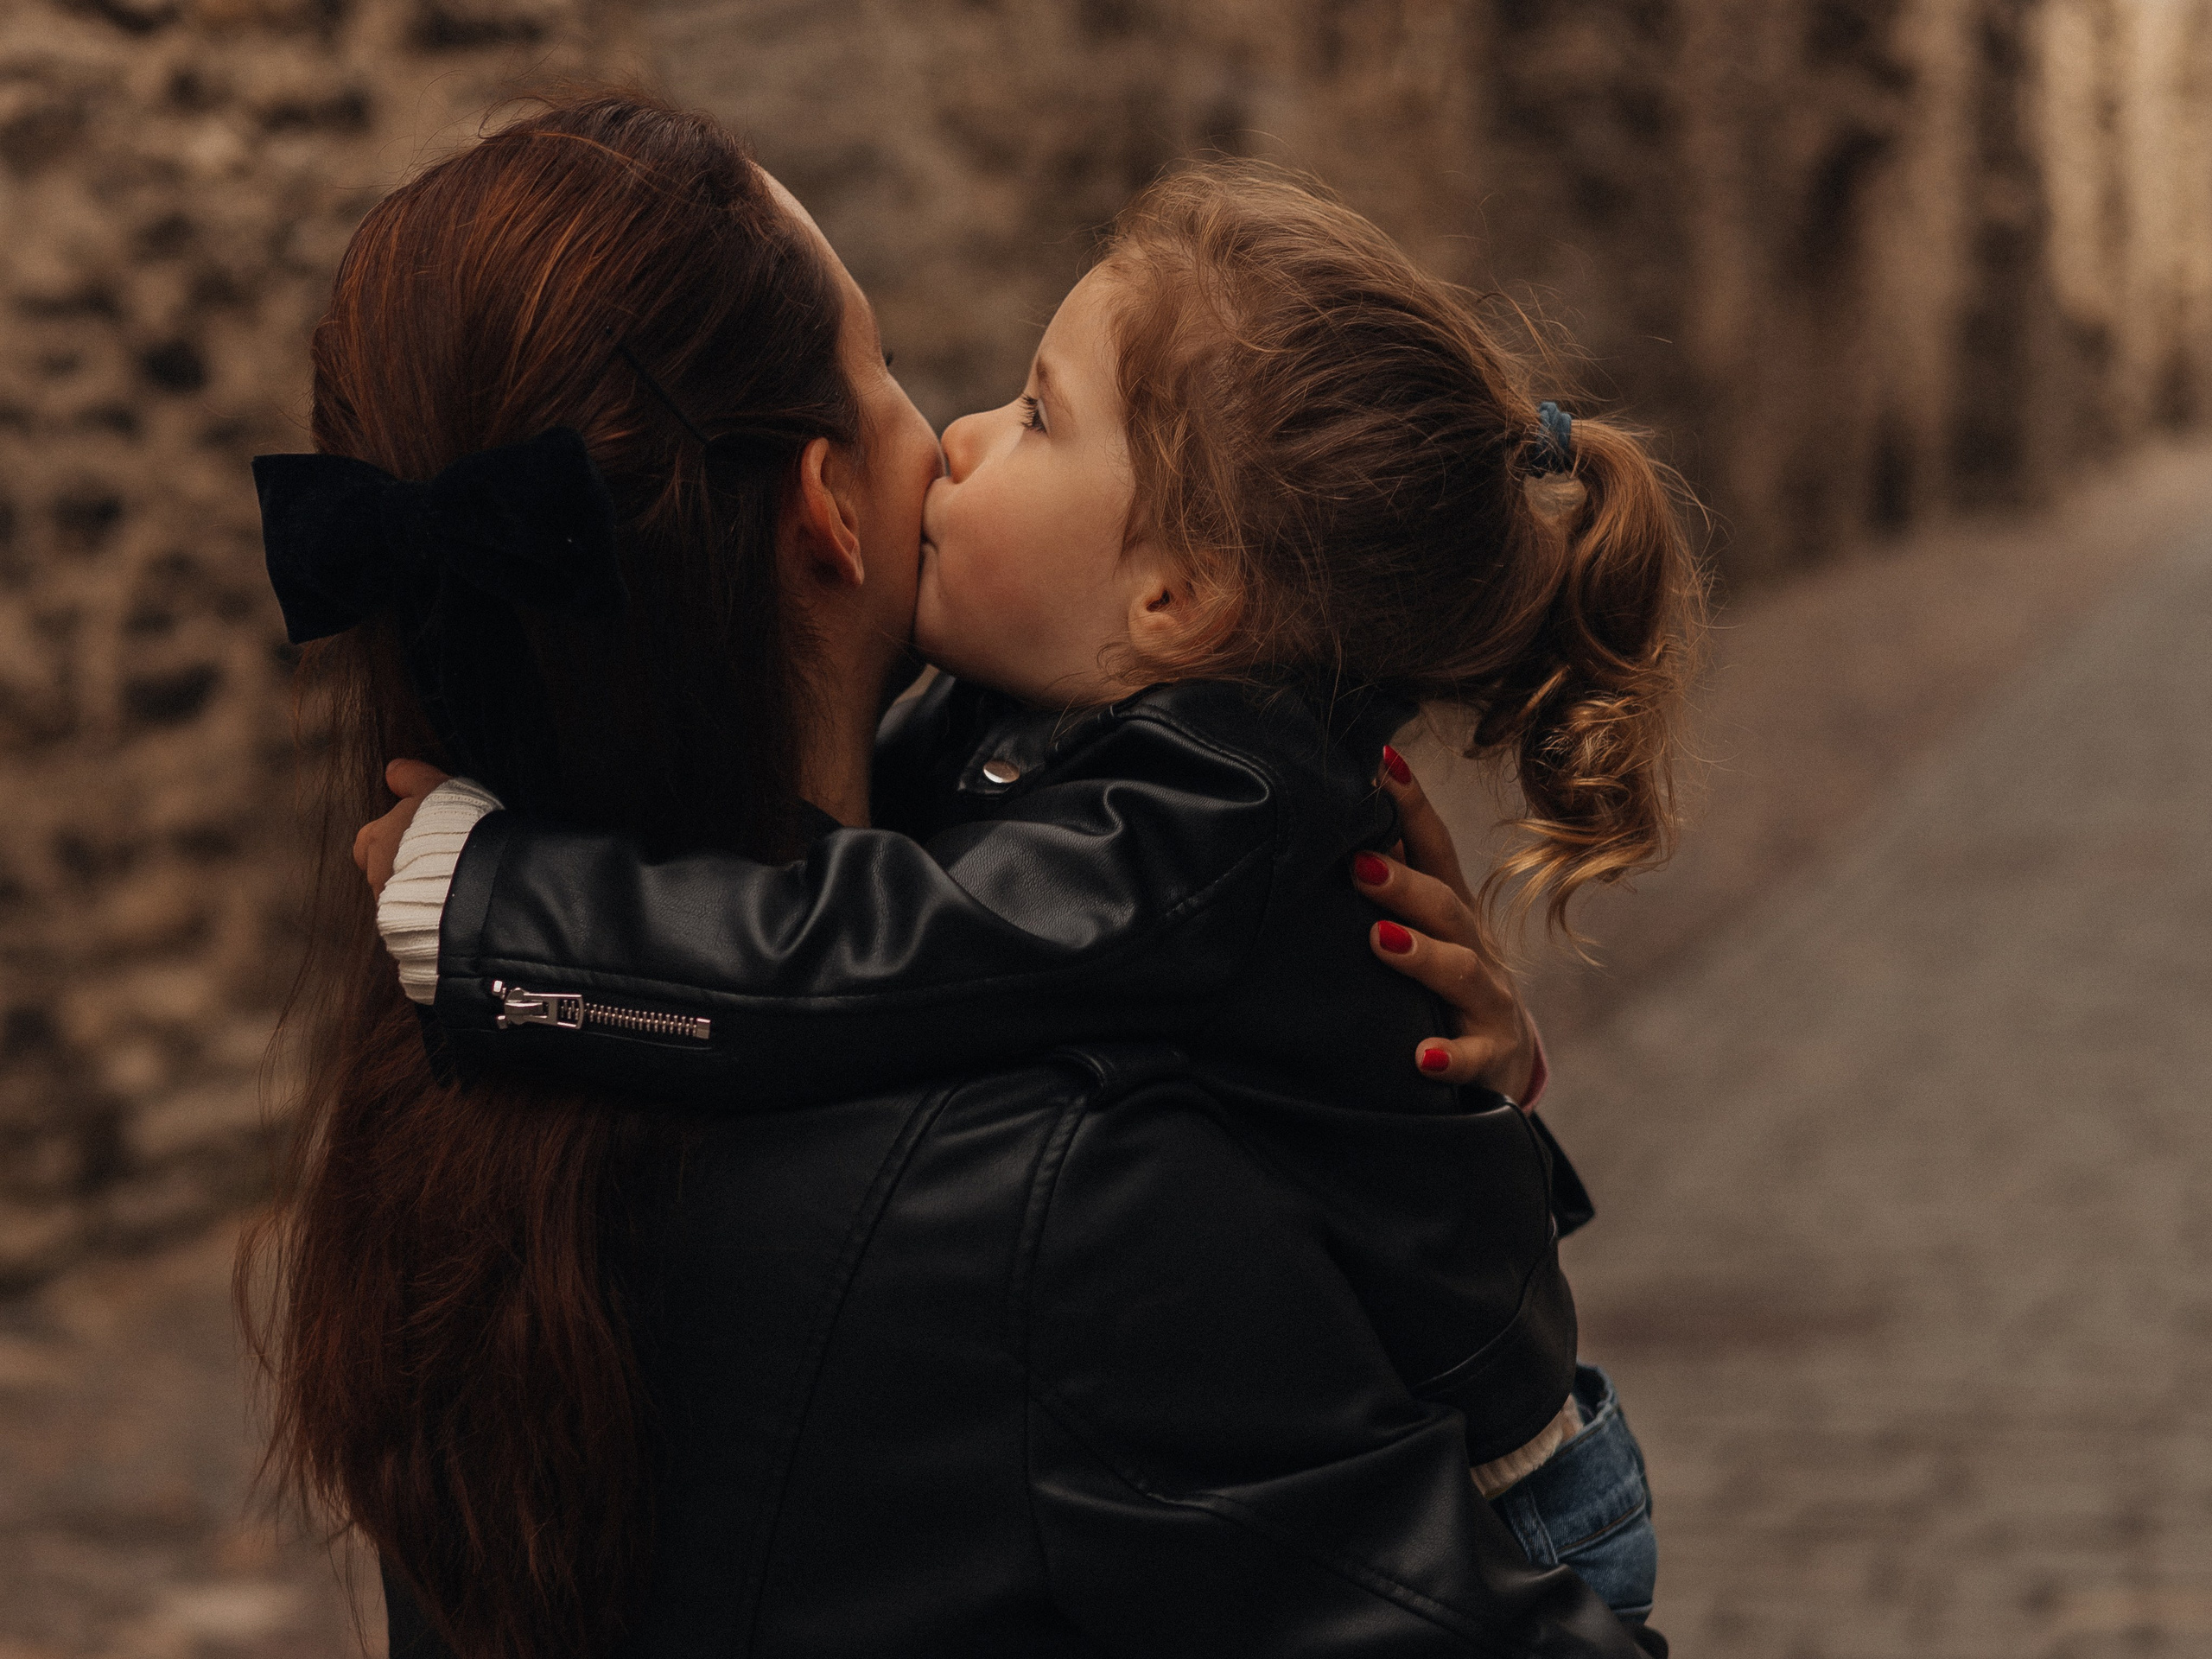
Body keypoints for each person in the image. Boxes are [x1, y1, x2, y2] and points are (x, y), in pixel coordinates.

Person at [245, 93, 1662, 1657]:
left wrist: (503, 912)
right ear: (826, 511)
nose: (963, 431)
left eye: (1032, 411)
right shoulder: (1082, 1210)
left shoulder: (446, 1105)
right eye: (897, 368)